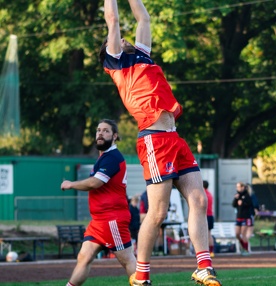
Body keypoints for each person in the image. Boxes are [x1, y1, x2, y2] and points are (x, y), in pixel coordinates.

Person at [99, 1, 221, 285]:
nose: (124, 39)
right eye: (117, 40)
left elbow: (143, 17)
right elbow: (113, 20)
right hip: (154, 140)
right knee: (157, 213)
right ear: (109, 49)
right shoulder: (117, 62)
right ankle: (141, 274)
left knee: (199, 200)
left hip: (174, 137)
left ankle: (204, 265)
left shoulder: (142, 57)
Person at [61, 119, 136, 286]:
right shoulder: (103, 157)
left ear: (115, 136)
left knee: (128, 260)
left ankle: (143, 283)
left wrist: (71, 184)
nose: (100, 133)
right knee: (84, 257)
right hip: (99, 221)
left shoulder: (112, 157)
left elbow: (95, 183)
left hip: (112, 218)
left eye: (106, 131)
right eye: (98, 130)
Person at [232, 182, 253, 256]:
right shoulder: (237, 195)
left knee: (243, 234)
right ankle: (244, 247)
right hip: (239, 217)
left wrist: (243, 203)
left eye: (239, 187)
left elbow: (250, 204)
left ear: (243, 187)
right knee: (237, 234)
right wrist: (236, 199)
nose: (237, 188)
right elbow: (234, 205)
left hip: (245, 217)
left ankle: (246, 249)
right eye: (237, 187)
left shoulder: (247, 195)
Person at [245, 183, 259, 251]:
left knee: (245, 231)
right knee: (249, 231)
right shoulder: (251, 196)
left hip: (242, 216)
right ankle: (244, 245)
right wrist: (256, 211)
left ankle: (245, 246)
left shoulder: (242, 196)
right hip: (249, 215)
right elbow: (255, 205)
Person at [203, 180, 215, 257]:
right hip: (210, 215)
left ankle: (205, 252)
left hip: (205, 215)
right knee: (209, 234)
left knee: (204, 234)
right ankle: (211, 252)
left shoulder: (203, 193)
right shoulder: (209, 194)